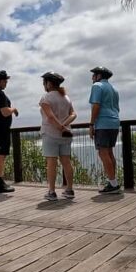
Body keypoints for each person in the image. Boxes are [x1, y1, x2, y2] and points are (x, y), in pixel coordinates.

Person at [38, 71, 77, 201]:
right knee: (66, 162)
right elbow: (73, 114)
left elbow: (50, 117)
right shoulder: (66, 97)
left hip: (50, 134)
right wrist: (64, 126)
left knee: (51, 163)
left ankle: (52, 192)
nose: (44, 85)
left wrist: (60, 127)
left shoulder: (46, 98)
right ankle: (69, 190)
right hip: (66, 135)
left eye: (44, 82)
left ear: (48, 83)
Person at [88, 66, 121, 194]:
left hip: (103, 123)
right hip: (114, 122)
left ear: (99, 76)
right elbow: (117, 108)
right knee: (109, 152)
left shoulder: (97, 86)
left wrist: (91, 124)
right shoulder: (114, 89)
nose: (92, 77)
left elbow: (96, 105)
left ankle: (113, 184)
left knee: (103, 153)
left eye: (94, 75)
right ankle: (113, 182)